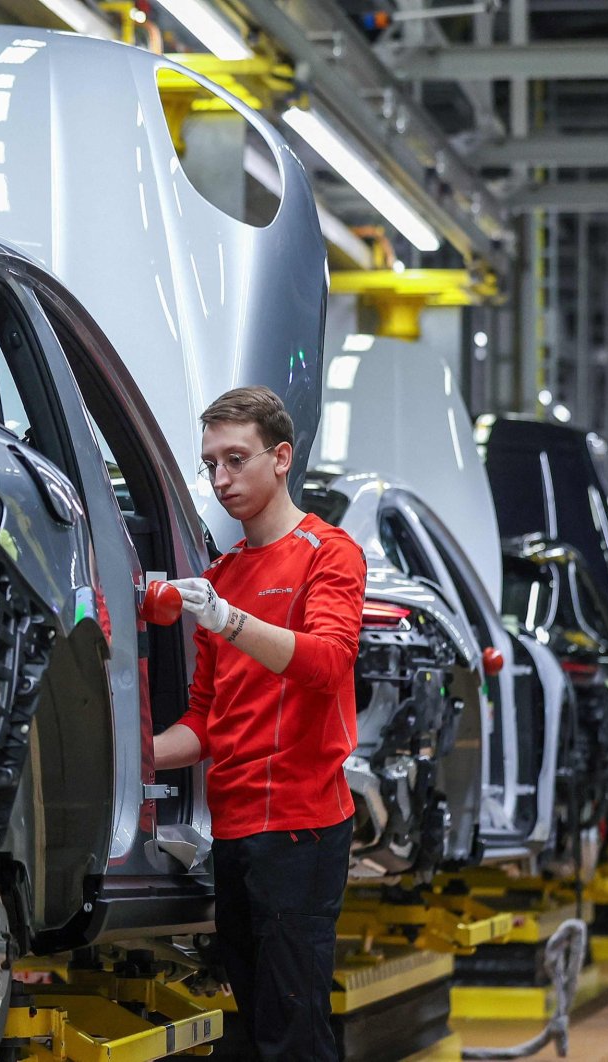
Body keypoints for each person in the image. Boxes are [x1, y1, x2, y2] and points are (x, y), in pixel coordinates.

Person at [151, 386, 366, 1061]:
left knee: (294, 1037)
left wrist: (228, 620)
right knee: (253, 1028)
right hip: (236, 830)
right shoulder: (223, 575)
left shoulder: (328, 554)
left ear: (281, 457)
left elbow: (326, 664)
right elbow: (205, 724)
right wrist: (130, 756)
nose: (221, 479)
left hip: (302, 831)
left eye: (236, 459)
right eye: (211, 463)